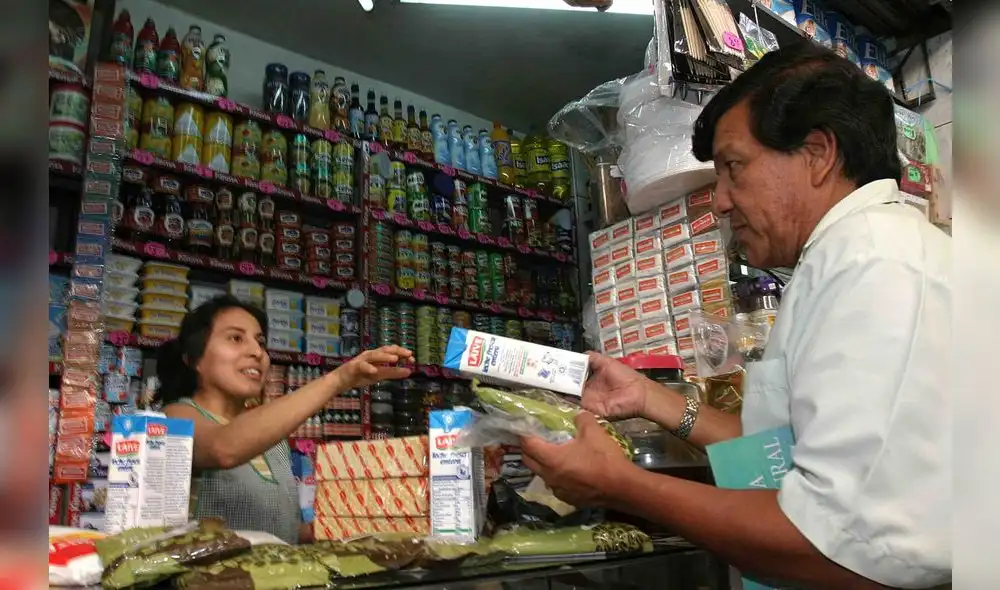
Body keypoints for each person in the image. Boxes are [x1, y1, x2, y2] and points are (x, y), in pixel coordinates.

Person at [520, 44, 951, 589]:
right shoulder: (850, 257)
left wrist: (619, 485)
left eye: (733, 168)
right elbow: (780, 449)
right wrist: (648, 398)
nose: (720, 201)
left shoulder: (875, 266)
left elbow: (838, 547)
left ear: (818, 153)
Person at [157, 295, 413, 544]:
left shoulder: (272, 437)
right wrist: (338, 380)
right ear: (194, 359)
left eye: (261, 342)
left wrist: (343, 526)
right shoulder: (175, 417)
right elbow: (223, 448)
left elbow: (280, 526)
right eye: (236, 338)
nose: (256, 352)